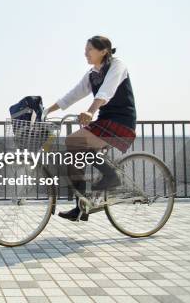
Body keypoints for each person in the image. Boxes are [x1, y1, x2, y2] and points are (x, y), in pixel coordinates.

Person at [44, 36, 136, 222]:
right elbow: (73, 94)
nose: (85, 53)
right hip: (105, 120)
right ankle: (81, 206)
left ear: (103, 51)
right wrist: (47, 111)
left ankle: (112, 176)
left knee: (73, 141)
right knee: (74, 151)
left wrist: (90, 111)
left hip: (121, 121)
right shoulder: (92, 74)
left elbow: (106, 91)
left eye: (89, 50)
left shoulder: (117, 65)